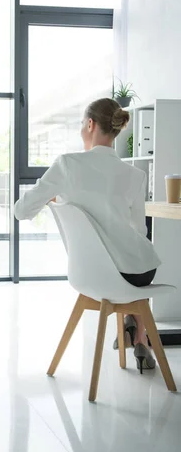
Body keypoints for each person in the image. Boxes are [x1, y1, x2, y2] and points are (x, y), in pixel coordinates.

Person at [14, 98, 161, 372]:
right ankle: (139, 336)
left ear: (90, 124)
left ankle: (133, 328)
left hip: (89, 275)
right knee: (133, 268)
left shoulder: (68, 165)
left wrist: (53, 200)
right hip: (135, 274)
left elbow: (21, 211)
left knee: (117, 272)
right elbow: (139, 232)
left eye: (82, 123)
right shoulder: (134, 175)